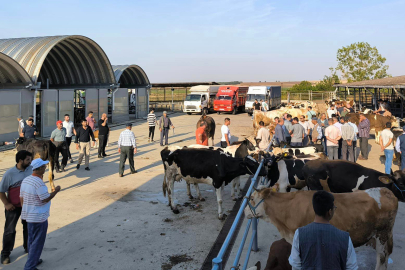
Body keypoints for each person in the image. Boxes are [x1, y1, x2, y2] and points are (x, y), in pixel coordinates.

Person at [289, 191, 358, 270]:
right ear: (329, 212)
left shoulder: (299, 234)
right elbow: (352, 267)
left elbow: (295, 265)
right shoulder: (345, 238)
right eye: (334, 208)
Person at [20, 158, 61, 270]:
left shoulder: (26, 180)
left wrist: (25, 212)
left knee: (31, 240)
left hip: (29, 216)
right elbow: (45, 199)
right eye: (44, 166)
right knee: (38, 242)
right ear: (39, 168)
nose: (45, 168)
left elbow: (21, 198)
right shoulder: (39, 183)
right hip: (39, 217)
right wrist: (56, 190)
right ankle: (30, 267)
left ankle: (34, 259)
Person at [0, 150, 32, 264]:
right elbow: (1, 191)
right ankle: (5, 254)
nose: (30, 162)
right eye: (27, 160)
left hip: (27, 206)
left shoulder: (30, 169)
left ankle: (28, 247)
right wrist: (7, 204)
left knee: (28, 227)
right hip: (13, 207)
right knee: (9, 230)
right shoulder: (9, 174)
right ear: (20, 161)